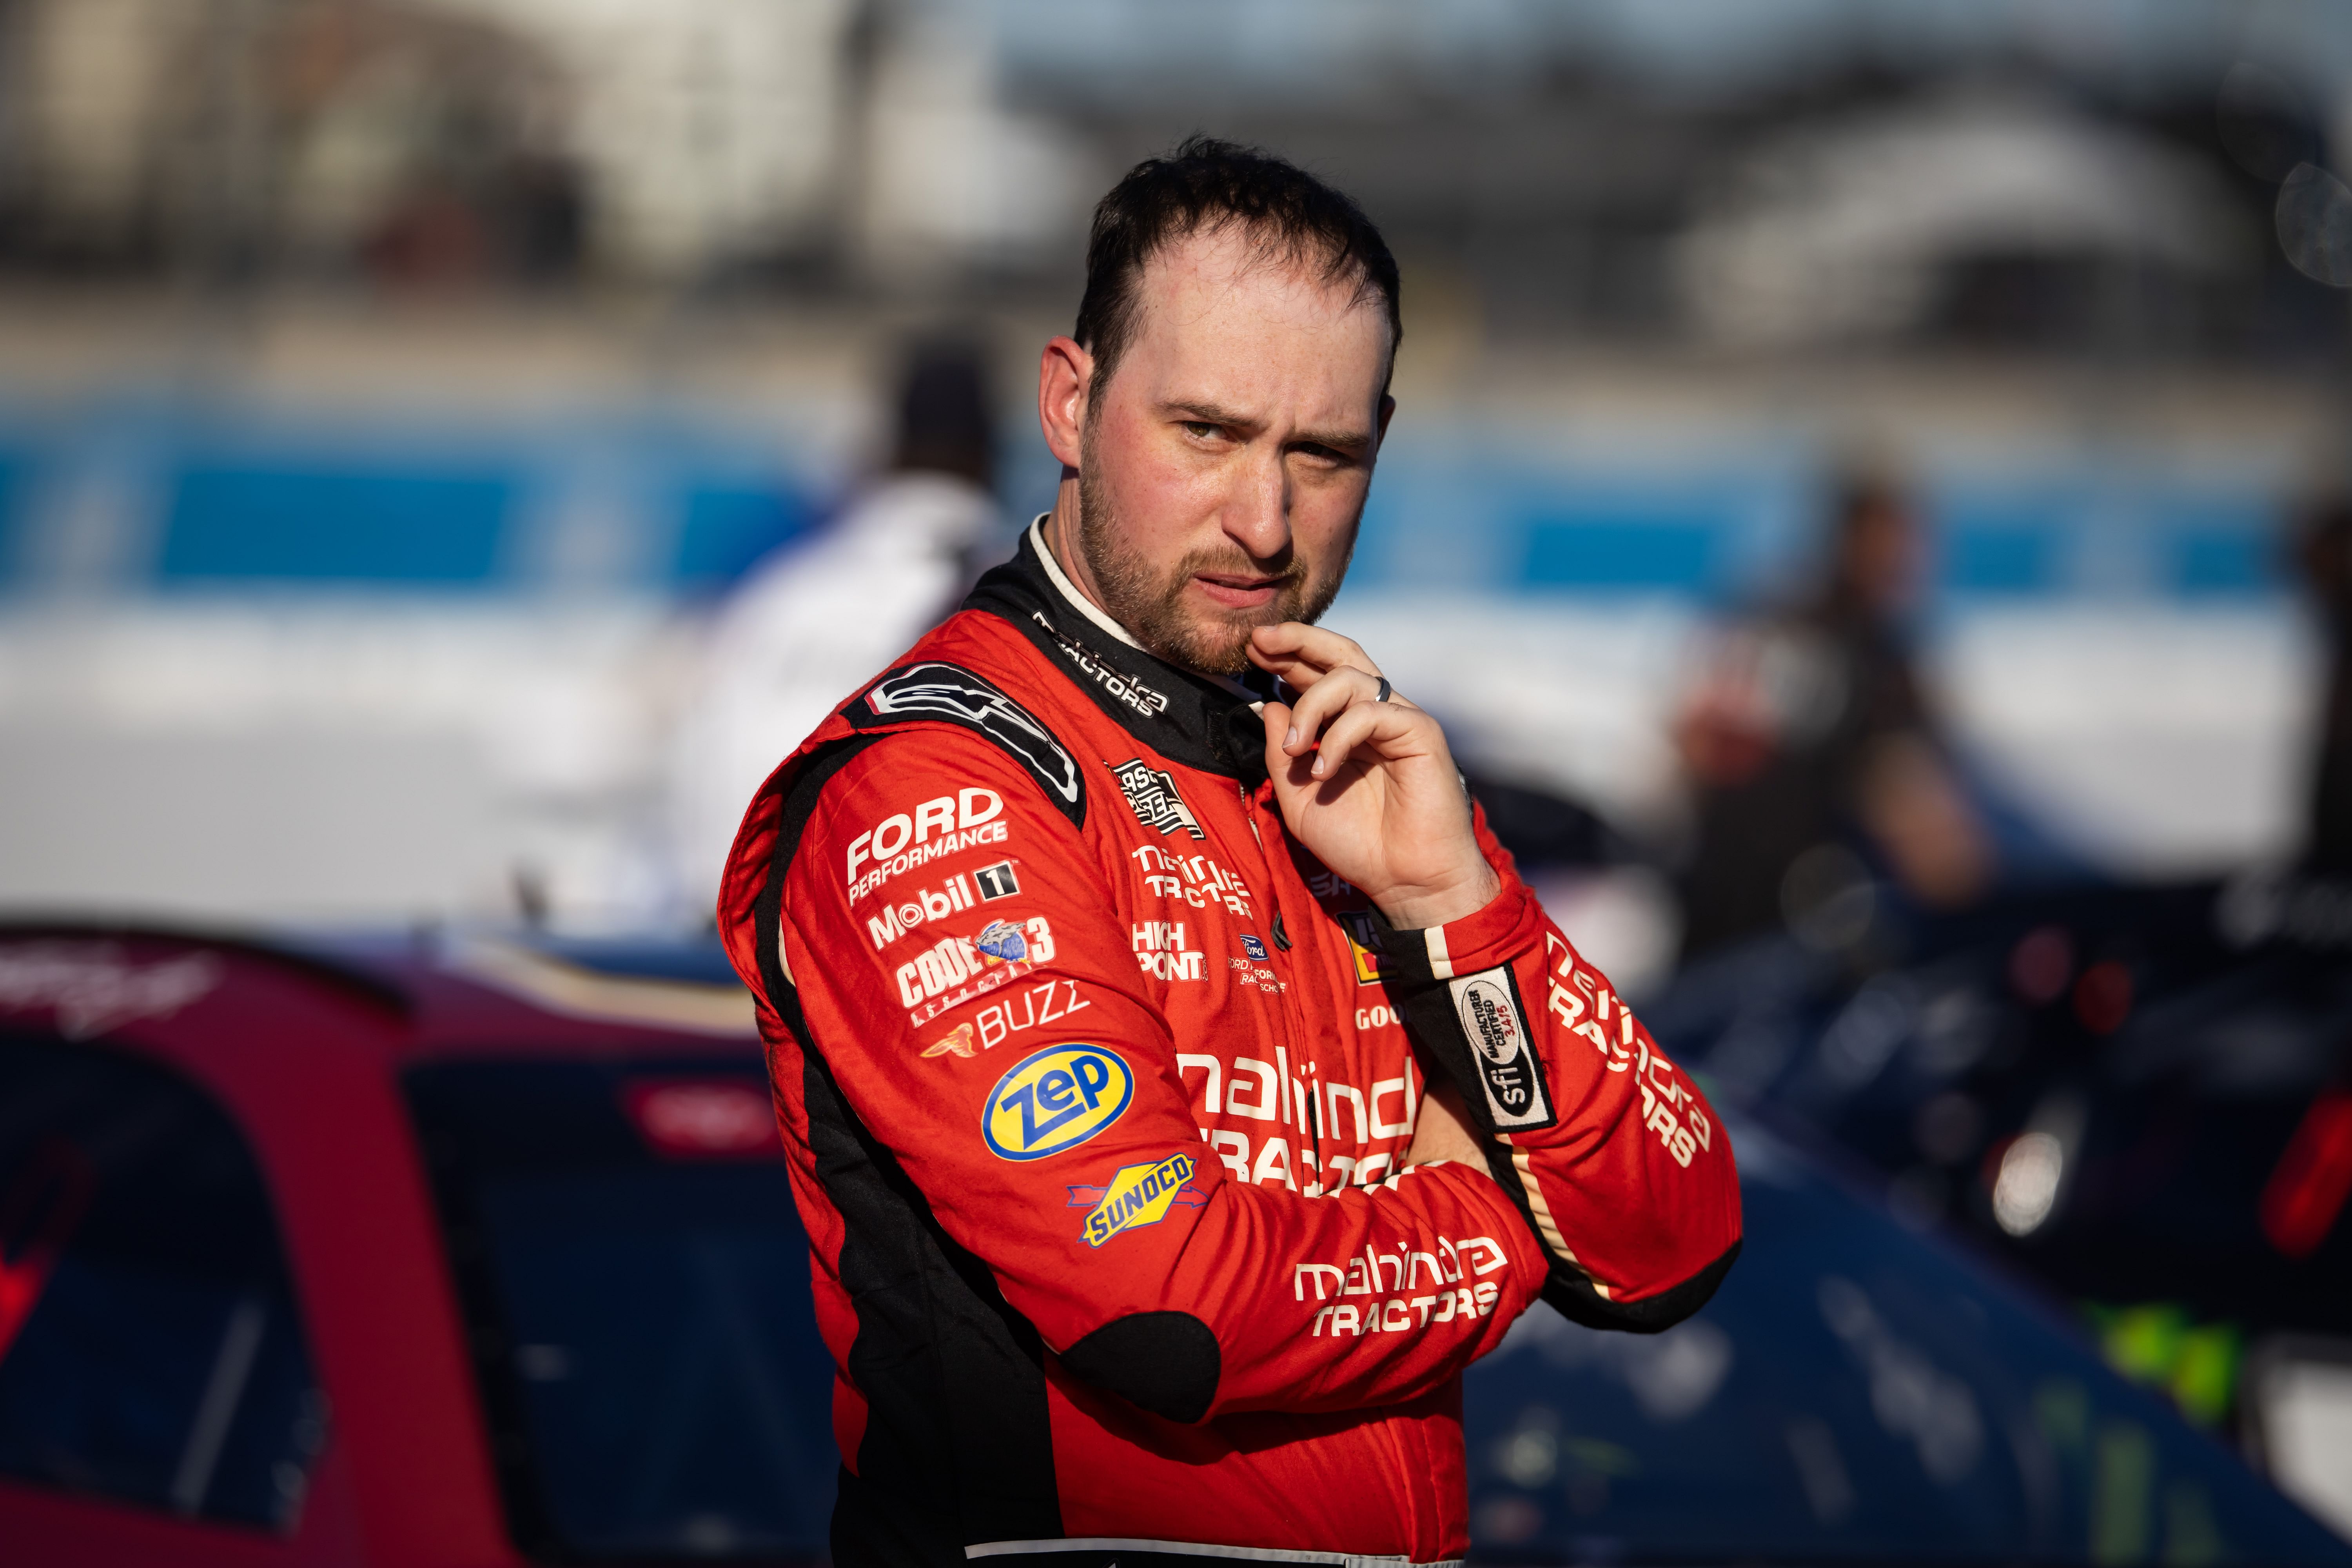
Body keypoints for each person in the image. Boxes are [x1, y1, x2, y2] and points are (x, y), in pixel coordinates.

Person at [716, 139, 1741, 1568]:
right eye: (1205, 432)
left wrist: (1458, 902)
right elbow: (1173, 1312)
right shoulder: (936, 780)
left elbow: (1673, 1227)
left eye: (1321, 456)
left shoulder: (1345, 763)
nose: (1263, 523)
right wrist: (1499, 1226)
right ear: (1071, 403)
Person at [670, 337, 1007, 913]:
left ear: (887, 448)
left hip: (717, 934)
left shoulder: (776, 594)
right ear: (993, 453)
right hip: (895, 951)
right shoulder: (1013, 602)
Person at [1674, 470, 1991, 958]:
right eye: (1897, 542)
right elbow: (1918, 816)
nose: (1911, 560)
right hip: (1788, 915)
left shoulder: (1772, 615)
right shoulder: (1864, 656)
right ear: (1855, 541)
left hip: (1716, 900)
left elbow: (1691, 739)